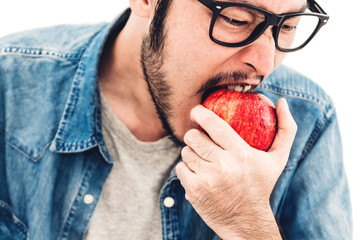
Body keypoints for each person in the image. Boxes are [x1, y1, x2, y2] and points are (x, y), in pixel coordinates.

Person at [0, 0, 352, 239]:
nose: (264, 63)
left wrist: (247, 224)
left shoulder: (306, 122)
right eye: (234, 18)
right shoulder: (9, 86)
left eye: (288, 26)